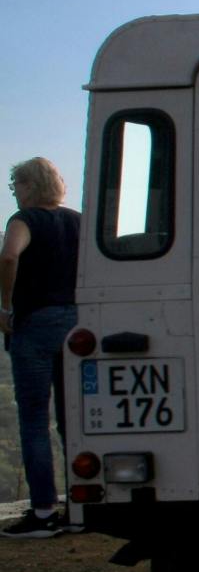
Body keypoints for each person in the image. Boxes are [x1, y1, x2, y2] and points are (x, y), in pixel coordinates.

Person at [2, 158, 82, 538]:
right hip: (77, 325)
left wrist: (5, 307)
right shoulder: (79, 221)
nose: (15, 192)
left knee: (34, 420)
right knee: (73, 420)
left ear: (30, 186)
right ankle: (80, 508)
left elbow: (9, 256)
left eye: (16, 184)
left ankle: (43, 511)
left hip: (34, 325)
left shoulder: (24, 221)